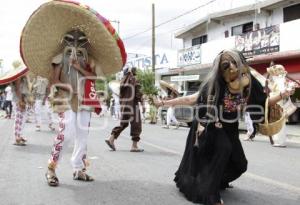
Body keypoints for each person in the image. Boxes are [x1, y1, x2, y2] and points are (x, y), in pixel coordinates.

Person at [154, 49, 294, 205]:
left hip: (230, 126)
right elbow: (192, 99)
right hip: (211, 124)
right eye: (227, 65)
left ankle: (216, 180)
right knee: (223, 149)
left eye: (235, 63)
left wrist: (283, 94)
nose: (232, 68)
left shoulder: (249, 82)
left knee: (240, 164)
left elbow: (263, 103)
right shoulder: (214, 83)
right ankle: (209, 193)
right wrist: (164, 103)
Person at [20, 1, 126, 186]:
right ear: (66, 40)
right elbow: (54, 80)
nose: (76, 41)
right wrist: (68, 88)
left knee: (83, 134)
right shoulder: (59, 57)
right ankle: (51, 168)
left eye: (80, 40)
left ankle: (78, 169)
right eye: (72, 39)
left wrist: (79, 67)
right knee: (67, 132)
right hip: (65, 98)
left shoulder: (89, 59)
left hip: (85, 98)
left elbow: (93, 77)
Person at [105, 67, 145, 152]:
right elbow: (138, 94)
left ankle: (111, 139)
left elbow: (120, 95)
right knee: (136, 125)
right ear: (132, 73)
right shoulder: (134, 80)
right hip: (132, 105)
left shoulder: (122, 82)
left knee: (123, 124)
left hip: (124, 106)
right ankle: (134, 146)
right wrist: (143, 104)